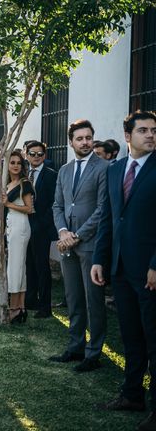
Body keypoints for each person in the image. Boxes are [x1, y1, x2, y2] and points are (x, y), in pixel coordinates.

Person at [92, 111, 156, 430]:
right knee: (130, 336)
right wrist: (99, 259)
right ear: (127, 136)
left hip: (149, 272)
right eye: (143, 130)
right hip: (118, 268)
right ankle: (132, 394)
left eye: (154, 130)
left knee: (153, 338)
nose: (151, 135)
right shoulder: (115, 169)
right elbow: (108, 217)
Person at [51, 119, 108, 372]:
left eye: (88, 137)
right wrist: (63, 232)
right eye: (80, 138)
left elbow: (102, 209)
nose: (85, 142)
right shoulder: (64, 170)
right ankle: (75, 347)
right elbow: (58, 206)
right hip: (66, 244)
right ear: (71, 141)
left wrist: (78, 235)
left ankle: (93, 353)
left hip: (90, 244)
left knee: (92, 300)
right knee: (73, 297)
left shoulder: (105, 167)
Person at [24, 141, 58, 318]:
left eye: (39, 154)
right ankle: (30, 299)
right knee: (28, 263)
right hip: (24, 224)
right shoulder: (22, 174)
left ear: (44, 156)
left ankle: (45, 306)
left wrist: (41, 223)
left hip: (42, 227)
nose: (36, 157)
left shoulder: (51, 175)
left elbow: (54, 203)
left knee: (42, 266)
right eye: (32, 153)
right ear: (26, 155)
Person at [0, 150, 34, 323]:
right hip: (11, 225)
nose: (14, 165)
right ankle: (20, 308)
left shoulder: (24, 184)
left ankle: (14, 308)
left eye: (18, 163)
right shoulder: (7, 184)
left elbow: (30, 209)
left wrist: (9, 204)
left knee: (15, 268)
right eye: (12, 162)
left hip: (21, 225)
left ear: (22, 166)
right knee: (17, 267)